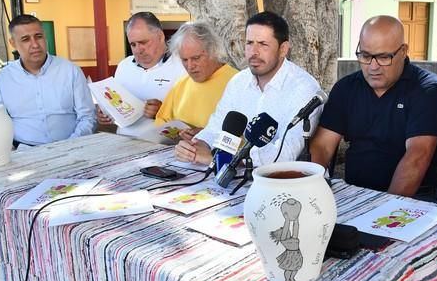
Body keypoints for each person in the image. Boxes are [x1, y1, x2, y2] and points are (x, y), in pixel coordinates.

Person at [310, 15, 437, 201]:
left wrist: (383, 209)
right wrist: (312, 189)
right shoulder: (346, 88)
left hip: (414, 201)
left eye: (384, 57)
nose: (373, 66)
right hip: (354, 193)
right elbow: (322, 146)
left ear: (403, 51)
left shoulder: (429, 91)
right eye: (366, 56)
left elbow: (417, 157)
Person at [175, 11, 321, 166]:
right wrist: (197, 147)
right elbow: (215, 128)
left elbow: (286, 154)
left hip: (286, 182)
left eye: (263, 44)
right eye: (249, 43)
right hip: (238, 178)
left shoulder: (304, 88)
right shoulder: (239, 82)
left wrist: (230, 161)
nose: (254, 52)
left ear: (283, 49)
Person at [0, 14, 96, 146]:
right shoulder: (4, 79)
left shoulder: (70, 71)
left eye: (38, 36)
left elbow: (87, 117)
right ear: (13, 43)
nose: (35, 45)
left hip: (71, 147)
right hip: (24, 152)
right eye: (25, 39)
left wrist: (70, 145)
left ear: (45, 37)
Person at [97, 11, 185, 137]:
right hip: (124, 141)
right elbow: (118, 107)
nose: (138, 50)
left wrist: (163, 112)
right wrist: (106, 113)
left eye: (143, 42)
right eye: (133, 44)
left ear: (160, 36)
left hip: (164, 147)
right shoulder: (124, 66)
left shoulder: (182, 66)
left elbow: (193, 115)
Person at [154, 21, 238, 140]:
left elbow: (247, 137)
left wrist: (208, 136)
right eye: (184, 59)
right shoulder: (181, 84)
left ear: (213, 51)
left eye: (196, 58)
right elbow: (161, 122)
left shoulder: (238, 82)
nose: (190, 66)